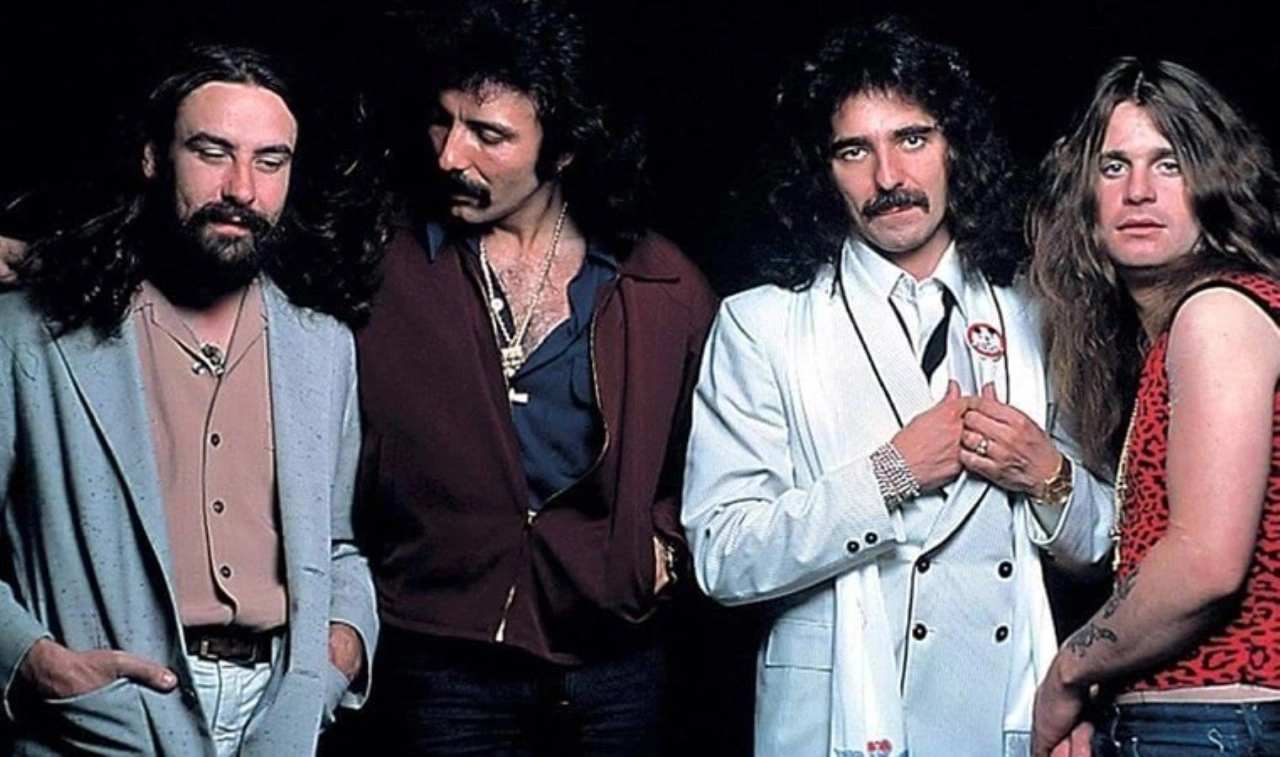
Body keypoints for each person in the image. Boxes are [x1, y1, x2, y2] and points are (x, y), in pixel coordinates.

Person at [681, 19, 1113, 757]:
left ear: (954, 148)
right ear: (822, 171)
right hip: (838, 720)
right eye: (855, 150)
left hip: (1000, 713)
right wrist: (890, 475)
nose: (888, 178)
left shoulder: (1035, 317)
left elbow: (1103, 542)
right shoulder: (763, 325)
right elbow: (722, 556)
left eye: (912, 138)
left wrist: (1047, 473)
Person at [354, 0, 717, 753]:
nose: (451, 155)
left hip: (613, 666)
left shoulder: (664, 286)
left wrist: (661, 548)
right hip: (437, 660)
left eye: (489, 135)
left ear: (564, 150)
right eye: (443, 121)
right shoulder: (375, 267)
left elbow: (721, 459)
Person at [0, 44, 379, 756]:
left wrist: (341, 650)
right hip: (102, 719)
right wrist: (33, 659)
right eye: (212, 152)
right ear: (153, 157)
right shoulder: (33, 333)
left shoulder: (323, 345)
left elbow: (338, 543)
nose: (242, 188)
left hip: (280, 716)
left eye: (271, 161)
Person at [1029, 58, 1280, 757]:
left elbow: (1205, 563)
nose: (1138, 191)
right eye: (1114, 167)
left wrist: (1069, 672)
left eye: (1168, 163)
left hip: (1217, 724)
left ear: (1214, 182)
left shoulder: (1217, 313)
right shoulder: (1187, 328)